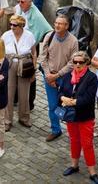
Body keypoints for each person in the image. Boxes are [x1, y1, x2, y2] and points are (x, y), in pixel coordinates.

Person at [58, 51, 98, 184]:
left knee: (87, 144)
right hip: (71, 116)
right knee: (74, 141)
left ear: (86, 63)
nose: (77, 64)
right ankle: (74, 165)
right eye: (75, 62)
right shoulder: (67, 76)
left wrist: (73, 102)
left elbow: (89, 97)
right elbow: (60, 91)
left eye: (80, 62)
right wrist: (62, 97)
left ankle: (92, 173)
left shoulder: (91, 78)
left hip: (85, 116)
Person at [38, 14, 78, 142]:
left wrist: (57, 75)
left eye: (60, 23)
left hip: (65, 78)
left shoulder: (73, 41)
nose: (57, 25)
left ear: (66, 26)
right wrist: (48, 75)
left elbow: (73, 63)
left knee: (66, 104)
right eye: (56, 23)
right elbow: (42, 57)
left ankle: (72, 128)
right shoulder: (49, 36)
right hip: (49, 76)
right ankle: (56, 130)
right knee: (52, 105)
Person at [14, 0, 52, 110]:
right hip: (17, 44)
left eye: (22, 2)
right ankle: (15, 97)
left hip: (30, 46)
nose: (20, 3)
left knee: (29, 73)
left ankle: (30, 102)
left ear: (30, 2)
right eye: (19, 1)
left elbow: (47, 30)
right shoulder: (18, 8)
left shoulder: (36, 15)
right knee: (15, 70)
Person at [1, 15, 36, 131]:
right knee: (8, 93)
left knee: (24, 93)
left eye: (14, 25)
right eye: (10, 24)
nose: (12, 27)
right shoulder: (6, 35)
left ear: (21, 26)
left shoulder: (29, 35)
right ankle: (7, 120)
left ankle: (24, 118)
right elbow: (0, 52)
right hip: (10, 64)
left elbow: (34, 54)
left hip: (24, 64)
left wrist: (33, 70)